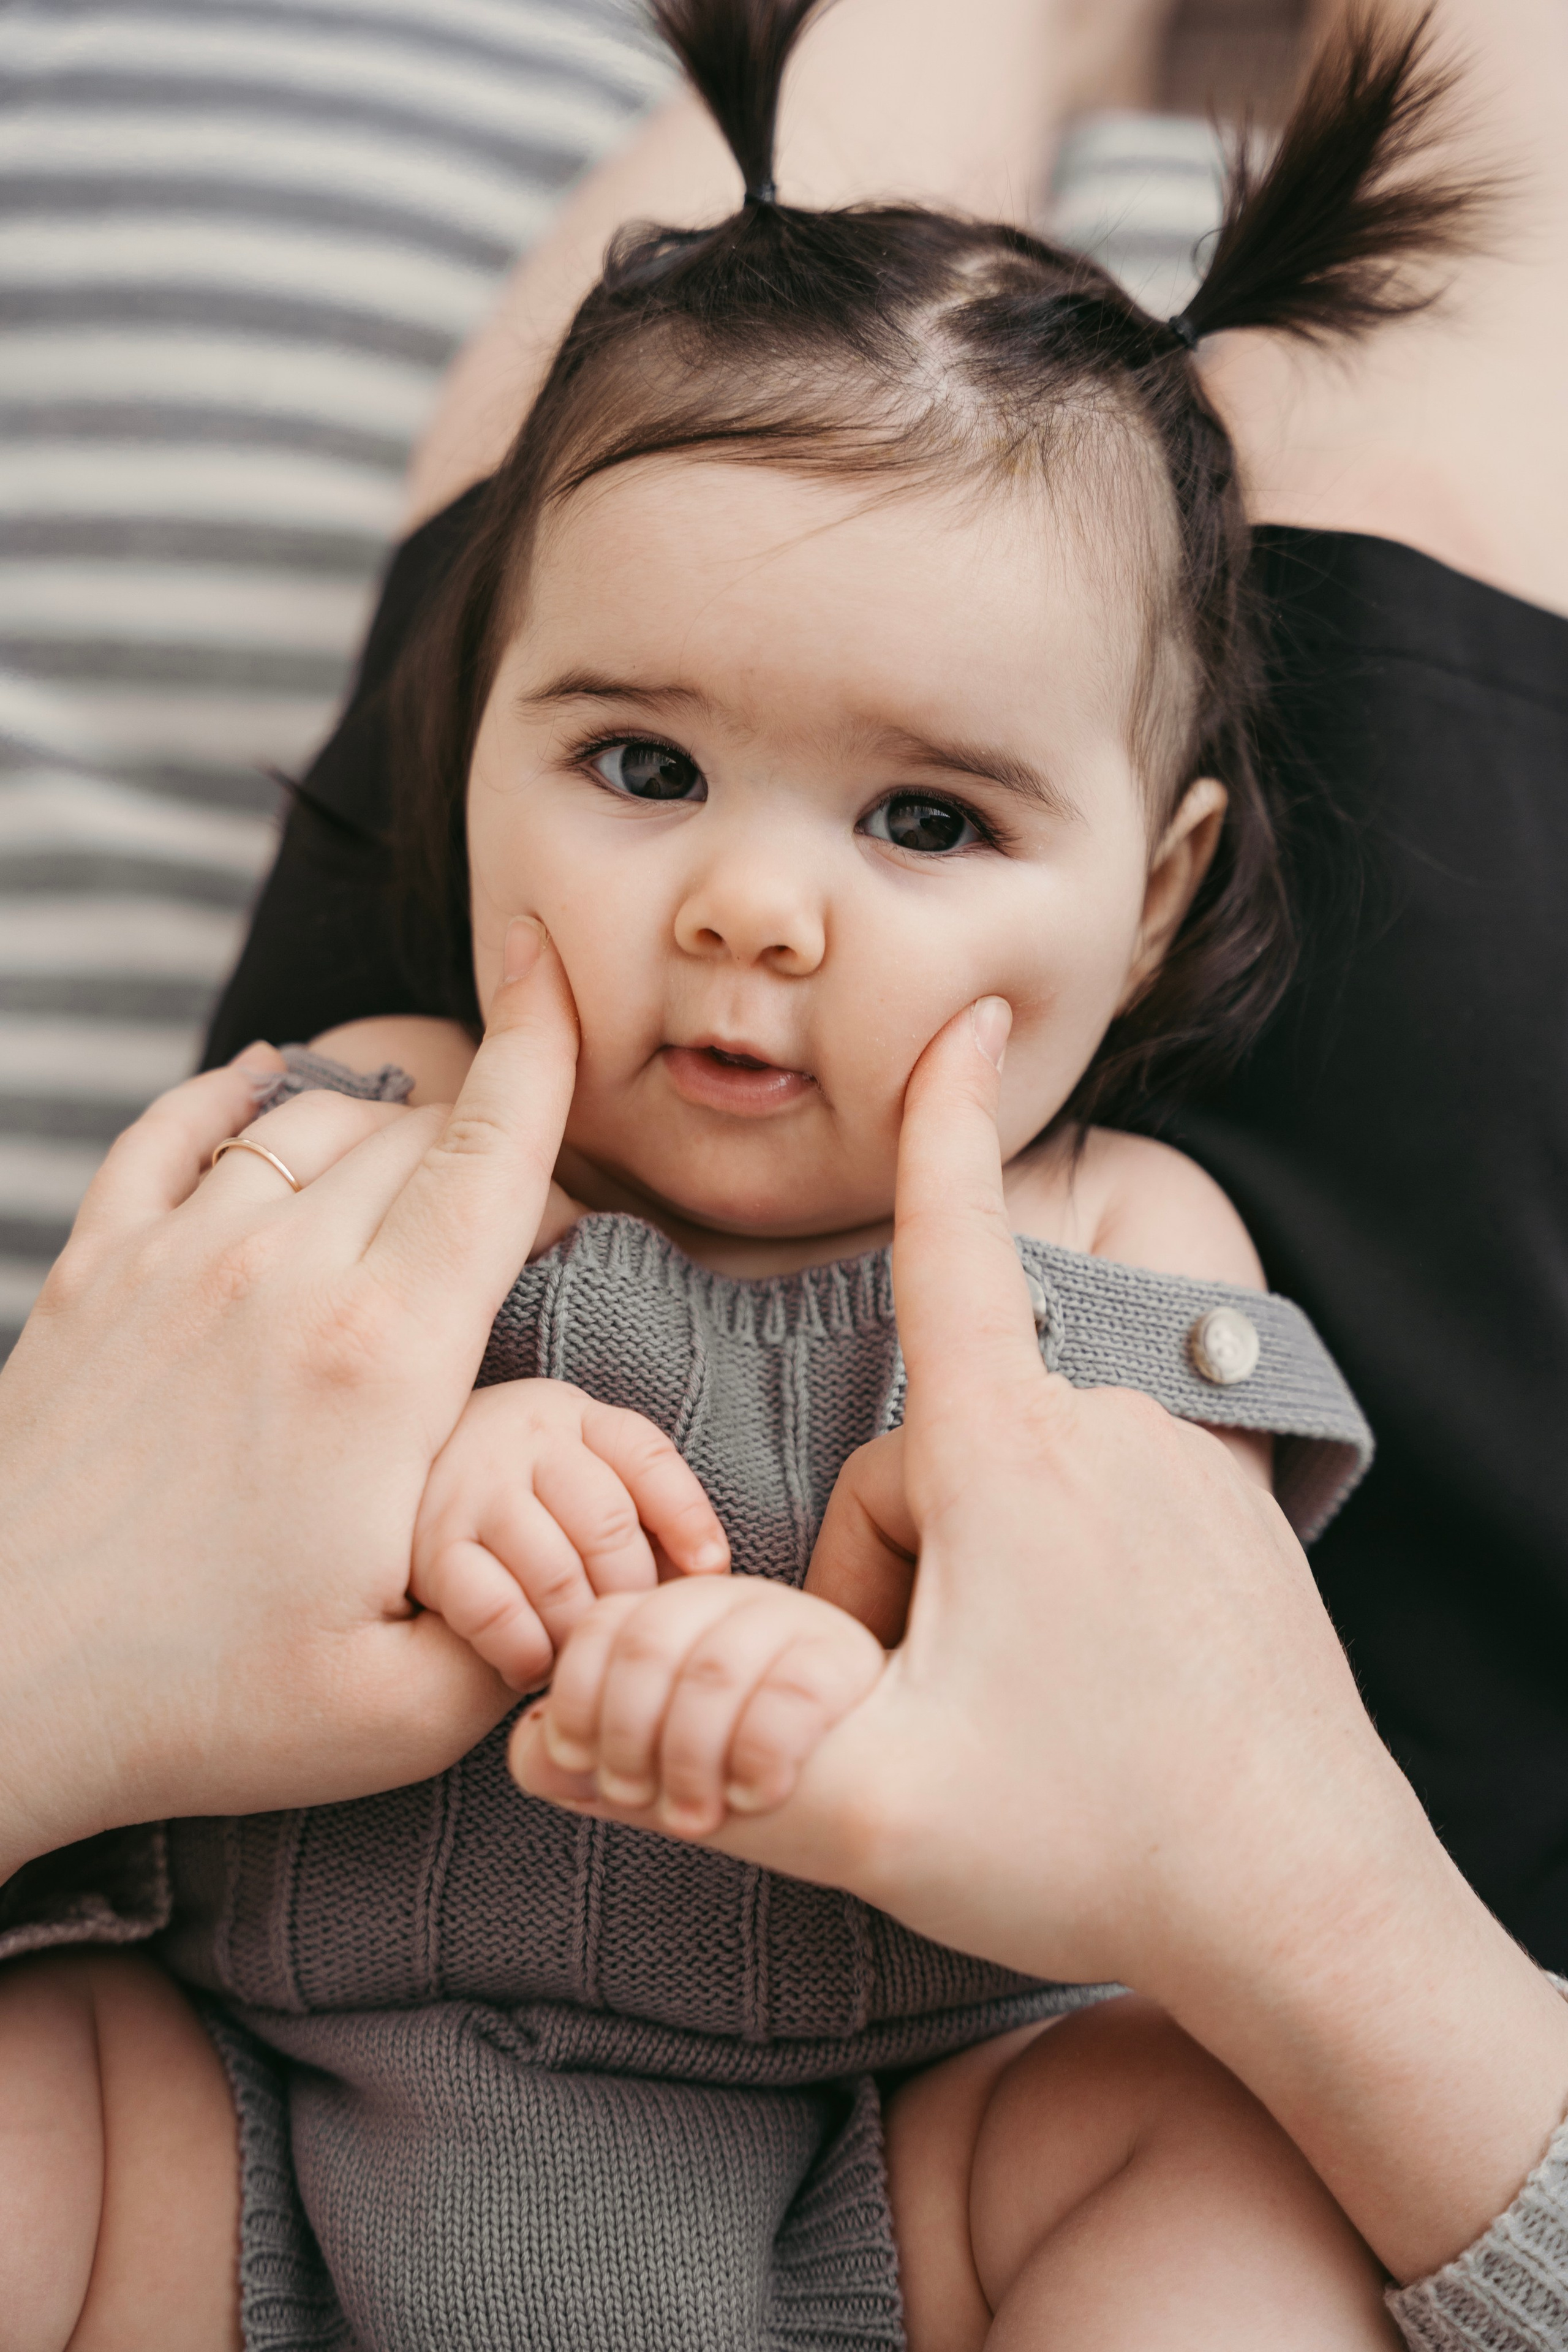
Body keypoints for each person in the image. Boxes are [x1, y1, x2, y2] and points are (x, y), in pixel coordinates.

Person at [1, 0, 1566, 2345]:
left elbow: (1132, 1649)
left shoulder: (1120, 1224)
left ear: (1154, 904)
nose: (751, 909)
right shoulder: (393, 1095)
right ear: (471, 771)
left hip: (906, 2158)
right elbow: (207, 1450)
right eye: (638, 765)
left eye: (928, 820)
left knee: (1181, 2150)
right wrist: (452, 1469)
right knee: (43, 2071)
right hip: (253, 2134)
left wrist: (830, 1658)